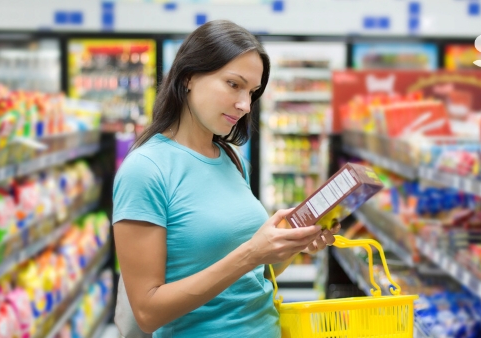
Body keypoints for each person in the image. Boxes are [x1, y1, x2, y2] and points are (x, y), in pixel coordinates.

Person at [113, 20, 340, 337]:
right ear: (189, 76)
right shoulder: (146, 169)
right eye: (234, 85)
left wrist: (290, 246)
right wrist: (251, 254)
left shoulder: (231, 159)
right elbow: (148, 312)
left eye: (252, 92)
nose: (245, 105)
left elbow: (255, 275)